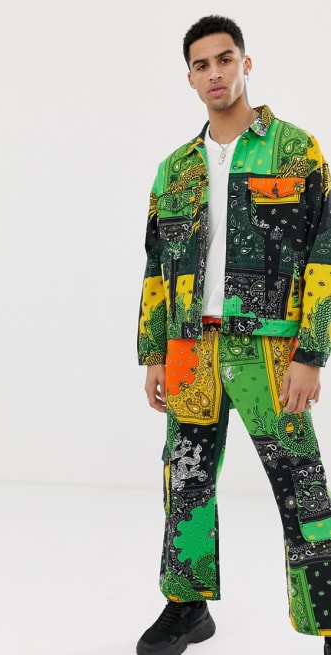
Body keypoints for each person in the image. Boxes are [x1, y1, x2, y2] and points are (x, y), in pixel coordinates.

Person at [136, 14, 331, 655]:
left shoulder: (296, 151)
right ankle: (186, 606)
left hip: (269, 347)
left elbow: (325, 253)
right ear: (190, 78)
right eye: (202, 65)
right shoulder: (175, 169)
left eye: (225, 59)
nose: (215, 73)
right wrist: (155, 353)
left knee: (301, 484)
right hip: (189, 348)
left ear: (246, 64)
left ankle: (329, 617)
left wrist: (311, 352)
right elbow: (156, 266)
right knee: (186, 479)